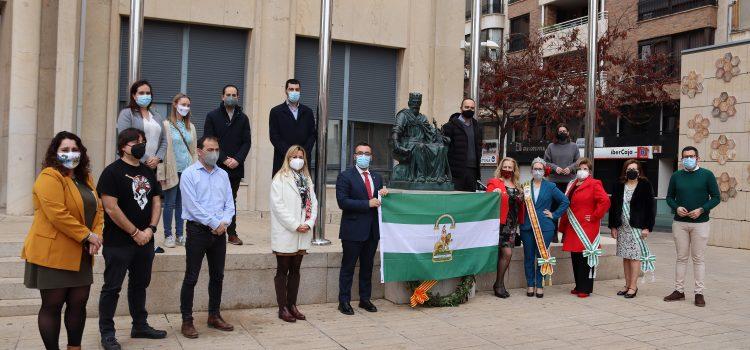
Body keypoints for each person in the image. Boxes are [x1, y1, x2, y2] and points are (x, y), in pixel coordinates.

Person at [21, 131, 104, 350]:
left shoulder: (85, 178)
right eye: (65, 150)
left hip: (81, 253)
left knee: (78, 304)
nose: (70, 153)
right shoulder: (49, 176)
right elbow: (57, 214)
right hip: (53, 253)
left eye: (74, 149)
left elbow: (99, 209)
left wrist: (97, 234)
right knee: (52, 306)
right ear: (55, 153)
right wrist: (88, 235)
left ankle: (74, 348)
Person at [97, 128, 166, 350]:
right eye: (136, 142)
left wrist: (151, 229)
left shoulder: (148, 171)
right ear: (123, 146)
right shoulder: (111, 172)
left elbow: (156, 201)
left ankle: (140, 325)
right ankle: (107, 332)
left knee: (140, 285)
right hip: (119, 242)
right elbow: (111, 207)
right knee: (112, 287)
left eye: (143, 142)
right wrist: (135, 232)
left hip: (146, 241)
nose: (141, 145)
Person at [179, 136, 235, 338]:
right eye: (210, 149)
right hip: (197, 231)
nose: (214, 153)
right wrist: (214, 223)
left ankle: (214, 315)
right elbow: (192, 206)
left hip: (219, 233)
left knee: (217, 276)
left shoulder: (223, 175)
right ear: (199, 151)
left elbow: (230, 203)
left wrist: (224, 223)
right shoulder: (189, 174)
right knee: (191, 277)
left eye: (217, 149)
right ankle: (187, 321)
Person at [663, 146, 720, 307]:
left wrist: (702, 209)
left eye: (691, 156)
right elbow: (669, 197)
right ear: (682, 159)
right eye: (685, 156)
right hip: (680, 223)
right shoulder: (676, 176)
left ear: (698, 158)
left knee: (698, 259)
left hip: (700, 223)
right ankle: (679, 290)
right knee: (681, 258)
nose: (688, 159)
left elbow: (716, 197)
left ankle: (699, 293)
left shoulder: (707, 175)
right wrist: (676, 208)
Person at [336, 142, 388, 315]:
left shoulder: (377, 177)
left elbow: (380, 200)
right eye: (360, 153)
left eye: (367, 153)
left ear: (371, 157)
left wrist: (384, 194)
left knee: (367, 267)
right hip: (353, 230)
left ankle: (365, 299)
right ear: (354, 156)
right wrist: (367, 203)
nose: (364, 156)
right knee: (348, 267)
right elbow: (343, 202)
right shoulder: (345, 176)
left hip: (372, 231)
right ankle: (344, 301)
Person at [270, 145, 318, 322]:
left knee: (296, 270)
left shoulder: (306, 179)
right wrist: (295, 225)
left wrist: (308, 223)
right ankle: (282, 308)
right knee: (282, 270)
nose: (298, 159)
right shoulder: (279, 179)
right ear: (288, 158)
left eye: (301, 156)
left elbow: (313, 202)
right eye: (294, 156)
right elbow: (278, 207)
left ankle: (292, 305)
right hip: (286, 232)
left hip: (303, 232)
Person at [203, 84, 251, 246]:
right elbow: (209, 140)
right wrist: (223, 159)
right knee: (214, 198)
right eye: (228, 94)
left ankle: (232, 233)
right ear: (222, 97)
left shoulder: (243, 118)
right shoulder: (212, 116)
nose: (231, 97)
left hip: (236, 167)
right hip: (216, 165)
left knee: (231, 200)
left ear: (238, 97)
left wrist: (237, 159)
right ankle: (213, 228)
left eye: (234, 94)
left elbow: (247, 142)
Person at [559, 158, 610, 298]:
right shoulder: (572, 184)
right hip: (573, 226)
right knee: (575, 256)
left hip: (587, 227)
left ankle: (585, 288)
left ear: (590, 171)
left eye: (585, 169)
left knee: (585, 258)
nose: (582, 171)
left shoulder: (594, 184)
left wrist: (594, 216)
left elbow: (605, 201)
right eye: (580, 169)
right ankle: (578, 285)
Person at [518, 157, 569, 298]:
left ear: (544, 170)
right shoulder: (525, 186)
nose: (538, 171)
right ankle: (530, 284)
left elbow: (565, 201)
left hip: (545, 228)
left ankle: (539, 285)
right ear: (531, 170)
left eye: (540, 169)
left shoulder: (550, 186)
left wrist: (554, 214)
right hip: (527, 227)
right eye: (535, 168)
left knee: (542, 256)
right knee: (528, 256)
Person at [608, 159, 656, 299]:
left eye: (635, 169)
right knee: (626, 257)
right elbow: (614, 207)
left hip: (637, 227)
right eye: (629, 169)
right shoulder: (619, 185)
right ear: (625, 171)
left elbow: (651, 207)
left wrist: (647, 227)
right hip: (622, 227)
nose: (632, 171)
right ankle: (627, 284)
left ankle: (633, 286)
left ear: (639, 171)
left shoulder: (645, 185)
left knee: (635, 257)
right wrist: (613, 226)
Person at [161, 93, 197, 248]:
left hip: (187, 170)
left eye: (188, 105)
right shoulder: (166, 125)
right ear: (175, 104)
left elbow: (194, 150)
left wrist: (196, 170)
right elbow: (162, 149)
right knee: (169, 203)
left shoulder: (191, 127)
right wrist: (161, 172)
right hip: (172, 169)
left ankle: (180, 235)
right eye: (183, 104)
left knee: (182, 204)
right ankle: (168, 235)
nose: (185, 108)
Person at [486, 157, 525, 298]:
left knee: (506, 254)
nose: (507, 169)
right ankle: (498, 284)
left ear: (514, 170)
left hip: (512, 226)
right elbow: (487, 200)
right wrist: (493, 193)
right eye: (505, 166)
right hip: (499, 224)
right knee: (507, 253)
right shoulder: (494, 182)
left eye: (510, 167)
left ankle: (500, 284)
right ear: (501, 167)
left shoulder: (518, 185)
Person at [269, 79, 316, 177]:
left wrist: (302, 153)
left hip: (303, 161)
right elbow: (274, 136)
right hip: (283, 160)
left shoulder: (308, 112)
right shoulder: (276, 112)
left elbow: (312, 135)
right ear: (286, 91)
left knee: (303, 190)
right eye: (291, 89)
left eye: (297, 89)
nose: (294, 92)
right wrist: (290, 154)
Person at [116, 80, 167, 171]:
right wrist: (146, 159)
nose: (145, 95)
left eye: (148, 93)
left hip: (154, 166)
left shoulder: (157, 115)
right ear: (134, 95)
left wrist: (157, 158)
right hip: (132, 163)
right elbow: (124, 140)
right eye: (141, 93)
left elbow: (164, 140)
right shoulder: (127, 114)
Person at [543, 124, 579, 243]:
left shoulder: (574, 146)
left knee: (568, 209)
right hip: (554, 183)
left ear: (568, 133)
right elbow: (546, 162)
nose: (562, 132)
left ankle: (566, 234)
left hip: (569, 182)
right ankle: (553, 234)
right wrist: (555, 168)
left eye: (564, 130)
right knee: (553, 208)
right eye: (560, 131)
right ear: (557, 133)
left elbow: (578, 161)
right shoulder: (551, 146)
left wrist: (570, 168)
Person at [442, 98, 482, 191]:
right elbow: (444, 149)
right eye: (466, 107)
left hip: (473, 171)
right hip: (455, 172)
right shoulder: (449, 126)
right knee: (455, 200)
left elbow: (478, 147)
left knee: (470, 201)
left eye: (472, 108)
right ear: (461, 108)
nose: (469, 110)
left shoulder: (478, 127)